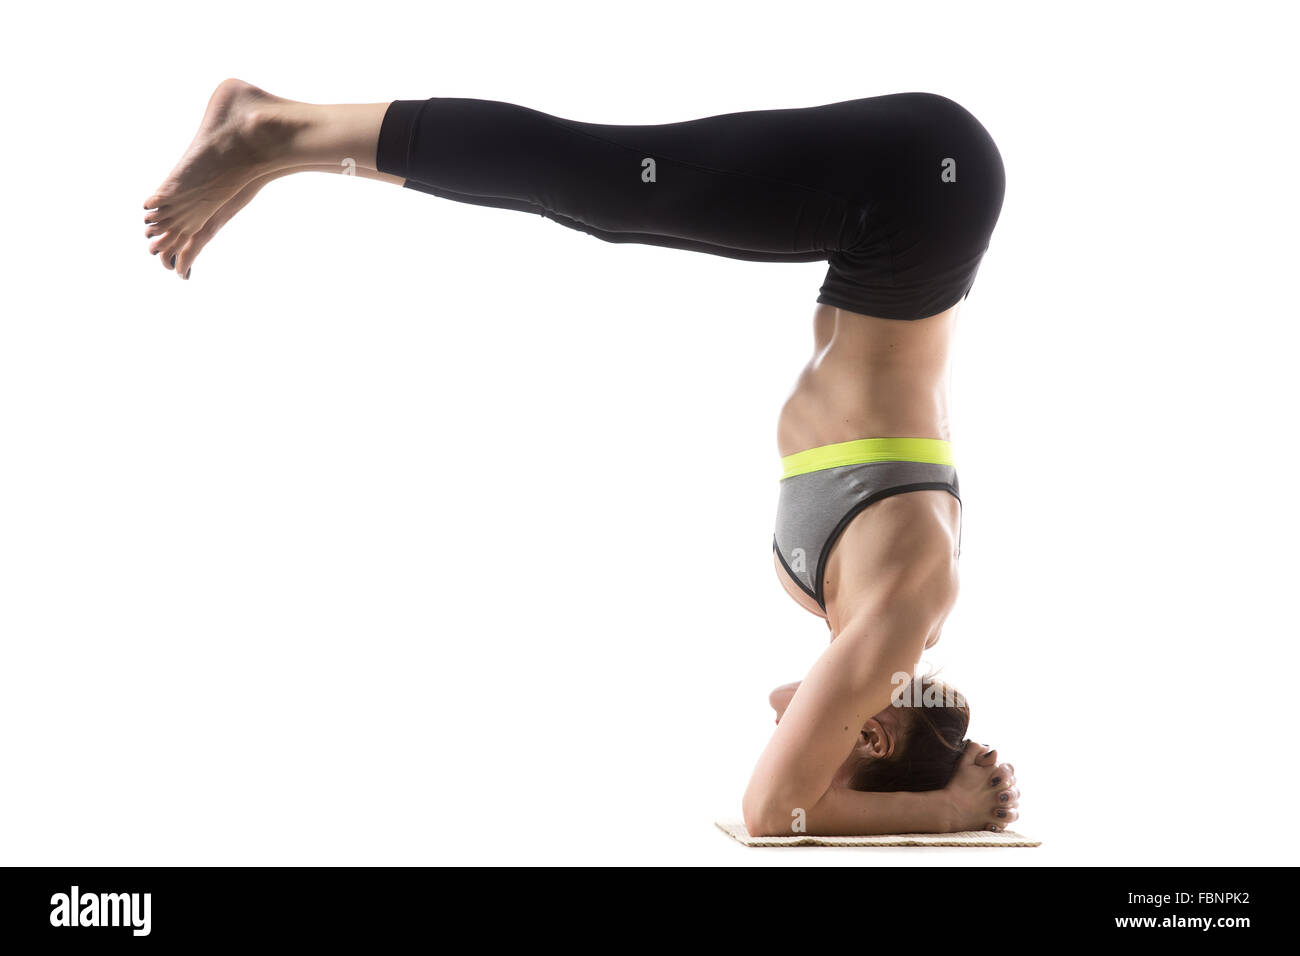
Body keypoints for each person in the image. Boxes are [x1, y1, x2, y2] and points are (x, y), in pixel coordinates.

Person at [144, 80, 1020, 835]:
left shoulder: (867, 629)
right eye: (845, 759)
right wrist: (944, 813)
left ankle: (277, 145)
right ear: (869, 739)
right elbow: (776, 810)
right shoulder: (905, 609)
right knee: (605, 182)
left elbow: (789, 707)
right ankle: (270, 129)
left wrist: (914, 762)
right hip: (916, 193)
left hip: (896, 227)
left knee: (604, 193)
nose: (788, 731)